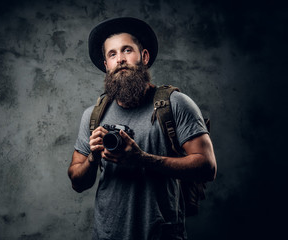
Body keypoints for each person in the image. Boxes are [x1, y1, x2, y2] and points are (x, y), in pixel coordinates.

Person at [68, 17, 217, 240]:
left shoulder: (175, 104)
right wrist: (93, 158)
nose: (120, 60)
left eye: (127, 50)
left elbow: (208, 168)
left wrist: (142, 158)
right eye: (112, 54)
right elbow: (77, 182)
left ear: (144, 57)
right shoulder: (93, 115)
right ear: (106, 65)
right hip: (107, 235)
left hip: (160, 234)